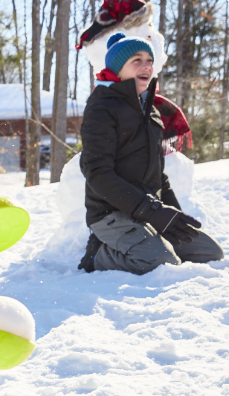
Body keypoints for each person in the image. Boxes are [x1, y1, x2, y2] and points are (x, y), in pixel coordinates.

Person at [78, 33, 224, 274]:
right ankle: (98, 255)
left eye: (149, 60)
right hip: (111, 213)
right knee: (162, 263)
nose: (146, 65)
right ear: (118, 69)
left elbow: (158, 173)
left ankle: (150, 240)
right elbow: (97, 174)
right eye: (137, 60)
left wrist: (173, 215)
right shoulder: (102, 108)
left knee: (210, 253)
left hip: (146, 210)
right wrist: (154, 212)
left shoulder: (151, 111)